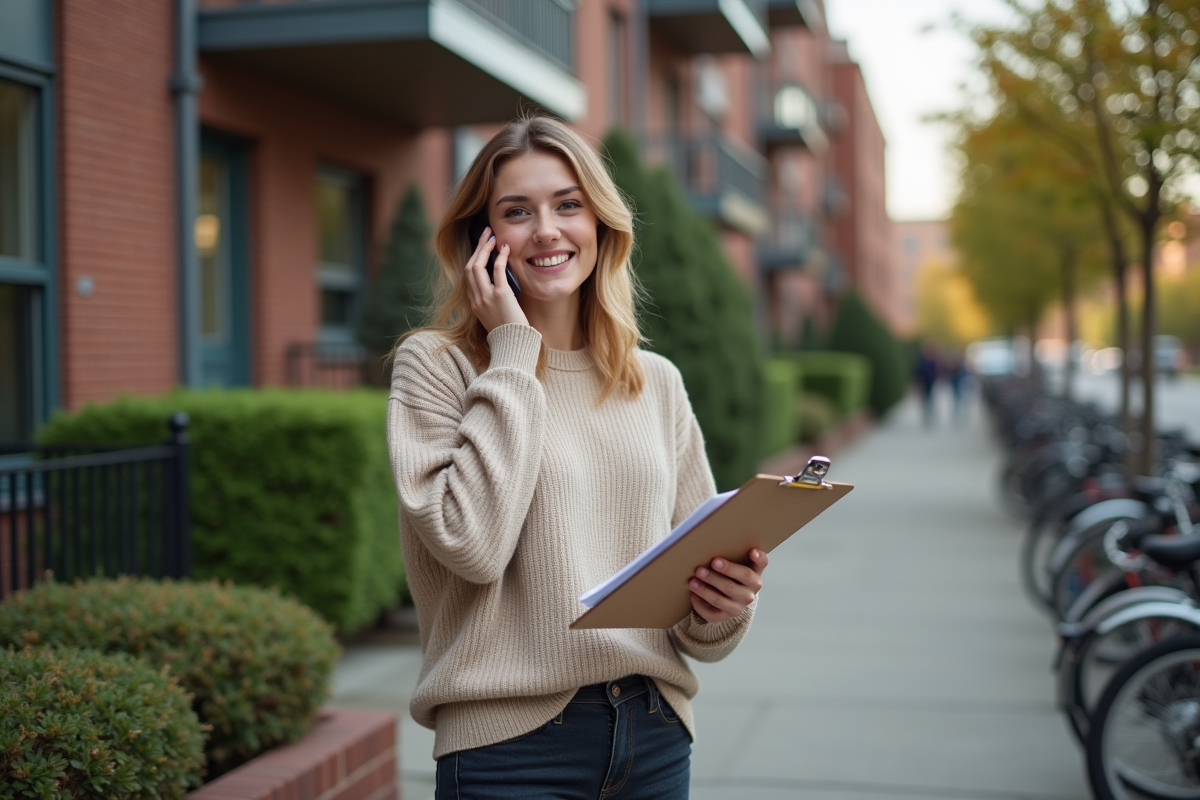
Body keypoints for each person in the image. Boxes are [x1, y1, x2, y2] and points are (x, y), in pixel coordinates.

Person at [386, 115, 767, 799]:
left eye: (568, 204)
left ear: (600, 224)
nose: (547, 230)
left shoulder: (656, 381)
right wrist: (512, 355)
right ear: (484, 239)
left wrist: (723, 604)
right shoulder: (436, 367)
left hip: (653, 734)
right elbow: (471, 546)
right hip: (509, 752)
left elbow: (700, 628)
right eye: (516, 212)